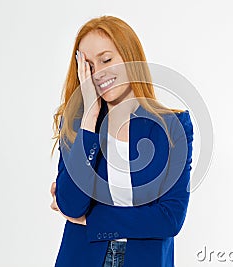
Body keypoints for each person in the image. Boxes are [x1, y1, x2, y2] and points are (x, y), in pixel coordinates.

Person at [49, 15, 194, 267]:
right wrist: (90, 119)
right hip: (82, 258)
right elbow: (72, 206)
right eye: (89, 66)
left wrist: (93, 219)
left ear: (130, 58)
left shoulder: (173, 127)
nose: (99, 73)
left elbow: (170, 219)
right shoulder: (76, 124)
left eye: (106, 60)